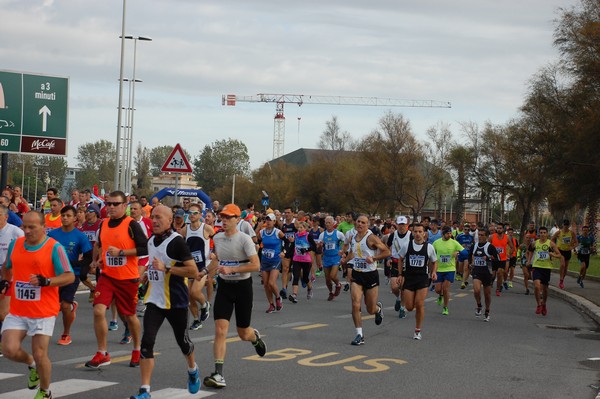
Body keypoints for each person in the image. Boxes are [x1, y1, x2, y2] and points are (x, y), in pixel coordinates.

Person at [129, 205, 201, 399]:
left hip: (176, 301)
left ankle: (192, 370)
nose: (155, 220)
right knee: (147, 342)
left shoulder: (177, 242)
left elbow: (193, 272)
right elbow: (153, 265)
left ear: (170, 220)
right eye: (152, 217)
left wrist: (167, 269)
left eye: (159, 217)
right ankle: (145, 390)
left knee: (183, 342)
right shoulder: (151, 241)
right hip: (154, 300)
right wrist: (145, 276)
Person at [0, 211, 74, 399]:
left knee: (41, 353)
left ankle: (45, 391)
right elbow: (7, 267)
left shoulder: (54, 248)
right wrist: (6, 282)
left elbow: (69, 276)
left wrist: (46, 281)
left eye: (32, 227)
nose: (27, 230)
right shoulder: (15, 244)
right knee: (8, 349)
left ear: (44, 227)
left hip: (43, 311)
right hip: (18, 309)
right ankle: (31, 363)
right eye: (24, 226)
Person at [200, 204, 266, 389]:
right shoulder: (218, 237)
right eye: (223, 217)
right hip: (225, 288)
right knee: (220, 330)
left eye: (229, 217)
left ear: (238, 219)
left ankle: (255, 338)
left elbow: (256, 265)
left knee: (243, 332)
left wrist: (233, 269)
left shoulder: (245, 239)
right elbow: (217, 259)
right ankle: (218, 374)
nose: (225, 220)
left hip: (243, 288)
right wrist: (204, 271)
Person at [85, 191, 149, 369]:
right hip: (107, 276)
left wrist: (122, 253)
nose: (111, 207)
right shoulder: (103, 224)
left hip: (127, 278)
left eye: (115, 204)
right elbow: (101, 245)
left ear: (124, 205)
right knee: (98, 311)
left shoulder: (132, 225)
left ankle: (137, 349)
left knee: (130, 316)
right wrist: (99, 260)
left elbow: (144, 248)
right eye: (108, 204)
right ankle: (102, 353)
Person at [48, 205, 93, 346]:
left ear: (75, 218)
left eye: (68, 215)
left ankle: (66, 334)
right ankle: (72, 306)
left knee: (65, 306)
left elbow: (88, 257)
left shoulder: (80, 236)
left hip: (72, 275)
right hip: (54, 276)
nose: (65, 218)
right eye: (63, 215)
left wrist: (77, 265)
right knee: (54, 307)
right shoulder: (52, 235)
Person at [344, 215, 389, 345]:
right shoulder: (353, 237)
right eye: (358, 221)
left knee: (370, 309)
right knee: (355, 304)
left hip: (371, 275)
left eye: (363, 222)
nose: (360, 224)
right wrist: (345, 260)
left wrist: (374, 259)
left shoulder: (371, 238)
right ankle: (359, 334)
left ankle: (378, 310)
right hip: (357, 274)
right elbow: (353, 252)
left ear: (367, 225)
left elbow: (387, 252)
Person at [397, 223, 437, 340]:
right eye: (415, 232)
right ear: (412, 233)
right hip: (409, 278)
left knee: (419, 304)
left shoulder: (429, 247)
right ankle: (411, 307)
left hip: (422, 279)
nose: (418, 234)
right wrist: (400, 274)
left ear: (424, 233)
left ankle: (417, 330)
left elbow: (434, 261)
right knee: (409, 307)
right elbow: (400, 259)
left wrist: (433, 272)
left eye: (420, 232)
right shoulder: (407, 245)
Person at [181, 203, 214, 330]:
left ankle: (205, 304)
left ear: (201, 215)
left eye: (195, 213)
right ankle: (196, 320)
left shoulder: (206, 228)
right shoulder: (185, 230)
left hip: (203, 266)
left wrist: (213, 253)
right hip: (191, 266)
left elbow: (217, 241)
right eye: (190, 213)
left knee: (195, 291)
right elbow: (181, 244)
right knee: (189, 296)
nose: (192, 215)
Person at [0, 205, 24, 357]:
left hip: (9, 276)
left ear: (6, 217)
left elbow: (25, 248)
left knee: (3, 313)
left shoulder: (15, 231)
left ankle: (6, 340)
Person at [256, 213, 285, 312]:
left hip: (275, 259)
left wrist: (283, 252)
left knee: (271, 283)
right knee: (266, 284)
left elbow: (287, 242)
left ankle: (278, 297)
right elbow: (256, 240)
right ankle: (271, 304)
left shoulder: (278, 232)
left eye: (270, 220)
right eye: (266, 220)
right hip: (265, 260)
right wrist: (258, 227)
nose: (268, 222)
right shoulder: (262, 232)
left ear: (274, 222)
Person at [432, 226, 464, 316]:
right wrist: (432, 270)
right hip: (439, 269)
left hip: (450, 269)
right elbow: (432, 255)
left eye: (450, 233)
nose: (449, 235)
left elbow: (463, 251)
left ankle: (445, 307)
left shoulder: (454, 243)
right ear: (443, 234)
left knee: (445, 288)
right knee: (438, 290)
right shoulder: (436, 243)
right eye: (447, 233)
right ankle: (440, 295)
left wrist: (458, 252)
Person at [531, 227, 561, 316]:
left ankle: (544, 304)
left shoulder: (550, 243)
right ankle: (539, 305)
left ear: (547, 234)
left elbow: (559, 255)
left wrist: (553, 254)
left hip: (546, 268)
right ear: (538, 234)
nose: (542, 234)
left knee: (545, 289)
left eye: (544, 232)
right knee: (536, 286)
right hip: (536, 267)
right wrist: (529, 260)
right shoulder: (534, 243)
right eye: (541, 232)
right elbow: (529, 251)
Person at [288, 221, 316, 303]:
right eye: (298, 228)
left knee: (305, 278)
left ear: (305, 228)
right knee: (296, 276)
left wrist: (306, 249)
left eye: (301, 228)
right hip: (296, 259)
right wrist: (286, 254)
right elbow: (293, 246)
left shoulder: (308, 235)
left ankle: (310, 288)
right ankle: (294, 295)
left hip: (306, 260)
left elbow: (314, 247)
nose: (299, 229)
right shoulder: (295, 235)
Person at [318, 216, 345, 301]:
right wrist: (320, 246)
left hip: (335, 257)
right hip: (326, 257)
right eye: (326, 223)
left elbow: (345, 243)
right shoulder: (322, 235)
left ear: (333, 224)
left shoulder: (338, 234)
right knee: (327, 278)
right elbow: (318, 249)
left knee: (333, 275)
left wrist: (342, 251)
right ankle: (331, 292)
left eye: (329, 222)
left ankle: (338, 284)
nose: (327, 224)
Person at [551, 219, 578, 289]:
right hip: (560, 251)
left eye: (567, 225)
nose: (565, 226)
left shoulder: (571, 233)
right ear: (562, 225)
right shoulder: (558, 232)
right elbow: (552, 239)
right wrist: (555, 247)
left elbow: (576, 242)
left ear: (568, 225)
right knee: (562, 265)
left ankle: (562, 280)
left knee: (565, 268)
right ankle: (560, 279)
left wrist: (572, 247)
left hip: (568, 251)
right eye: (564, 225)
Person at [490, 223, 514, 296]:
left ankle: (498, 289)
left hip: (502, 259)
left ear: (503, 229)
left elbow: (512, 247)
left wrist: (509, 254)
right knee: (493, 275)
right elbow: (487, 246)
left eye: (500, 228)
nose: (499, 229)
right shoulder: (492, 237)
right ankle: (492, 282)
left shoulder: (507, 238)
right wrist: (490, 254)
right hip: (494, 259)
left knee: (500, 273)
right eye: (498, 228)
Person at [279, 207, 296, 299]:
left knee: (293, 270)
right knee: (285, 268)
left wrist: (295, 238)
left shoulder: (295, 223)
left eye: (289, 212)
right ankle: (284, 288)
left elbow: (303, 233)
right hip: (286, 248)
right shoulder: (283, 224)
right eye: (285, 213)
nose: (287, 214)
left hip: (295, 248)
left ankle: (307, 284)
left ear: (292, 213)